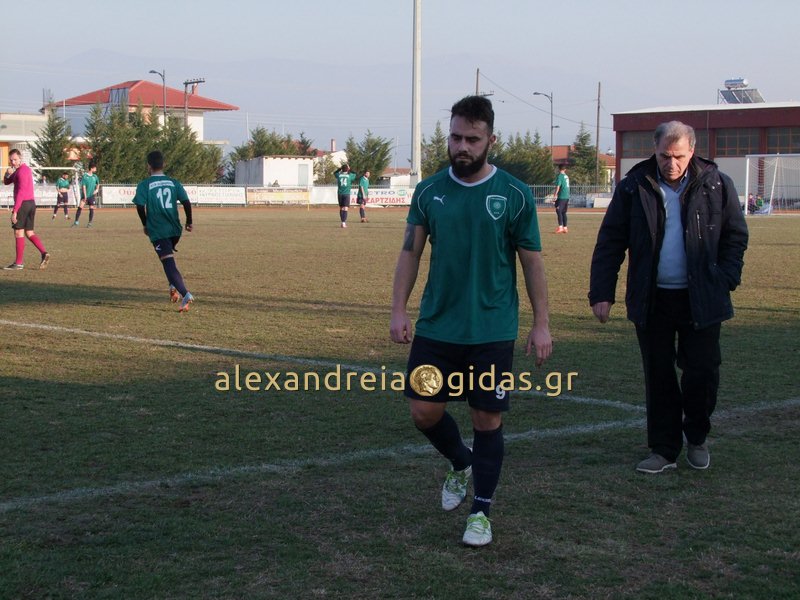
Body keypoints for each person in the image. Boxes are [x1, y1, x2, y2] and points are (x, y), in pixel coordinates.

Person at [390, 95, 552, 546]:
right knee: (423, 411)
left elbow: (532, 262)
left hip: (491, 329)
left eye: (472, 139)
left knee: (486, 420)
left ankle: (481, 512)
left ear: (490, 141)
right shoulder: (429, 192)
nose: (462, 146)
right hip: (437, 326)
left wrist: (541, 323)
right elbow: (410, 252)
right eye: (456, 137)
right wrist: (399, 309)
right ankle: (460, 462)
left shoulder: (514, 194)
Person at [589, 121, 748, 474]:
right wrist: (602, 292)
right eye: (664, 156)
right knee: (659, 375)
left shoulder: (717, 184)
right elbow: (611, 241)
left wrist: (725, 278)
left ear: (692, 151)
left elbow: (735, 236)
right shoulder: (634, 186)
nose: (671, 163)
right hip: (653, 299)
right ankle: (663, 449)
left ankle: (697, 437)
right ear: (655, 150)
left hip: (702, 298)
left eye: (678, 156)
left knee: (702, 372)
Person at [132, 150, 195, 312]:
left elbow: (140, 206)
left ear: (148, 166)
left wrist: (145, 224)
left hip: (158, 230)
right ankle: (173, 286)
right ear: (163, 164)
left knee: (168, 262)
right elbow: (186, 202)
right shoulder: (173, 182)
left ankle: (185, 294)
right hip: (175, 230)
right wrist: (189, 221)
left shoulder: (145, 184)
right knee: (166, 259)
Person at [3, 149, 50, 270]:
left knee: (18, 232)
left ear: (20, 158)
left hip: (23, 204)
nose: (13, 162)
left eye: (15, 159)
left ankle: (18, 263)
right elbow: (7, 182)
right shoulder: (22, 170)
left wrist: (15, 211)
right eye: (11, 160)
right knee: (29, 232)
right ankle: (44, 253)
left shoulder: (21, 172)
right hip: (31, 204)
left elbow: (21, 192)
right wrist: (7, 173)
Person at [73, 161, 100, 227]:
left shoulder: (95, 176)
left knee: (91, 208)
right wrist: (85, 196)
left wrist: (97, 189)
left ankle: (89, 223)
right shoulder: (85, 176)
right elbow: (83, 186)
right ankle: (76, 222)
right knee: (80, 207)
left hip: (91, 196)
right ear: (91, 168)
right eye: (95, 168)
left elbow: (98, 183)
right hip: (85, 195)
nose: (96, 169)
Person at [333, 163, 357, 228]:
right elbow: (355, 173)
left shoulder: (339, 175)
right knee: (345, 208)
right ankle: (344, 222)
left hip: (340, 194)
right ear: (347, 169)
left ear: (342, 169)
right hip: (346, 194)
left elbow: (335, 173)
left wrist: (340, 169)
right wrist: (350, 169)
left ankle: (342, 222)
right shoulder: (350, 176)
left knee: (341, 208)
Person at [554, 164, 570, 233]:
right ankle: (565, 228)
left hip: (562, 196)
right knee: (563, 212)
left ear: (558, 169)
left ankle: (560, 227)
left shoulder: (560, 176)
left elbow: (558, 186)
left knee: (558, 210)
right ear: (565, 169)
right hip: (567, 196)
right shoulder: (566, 176)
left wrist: (555, 195)